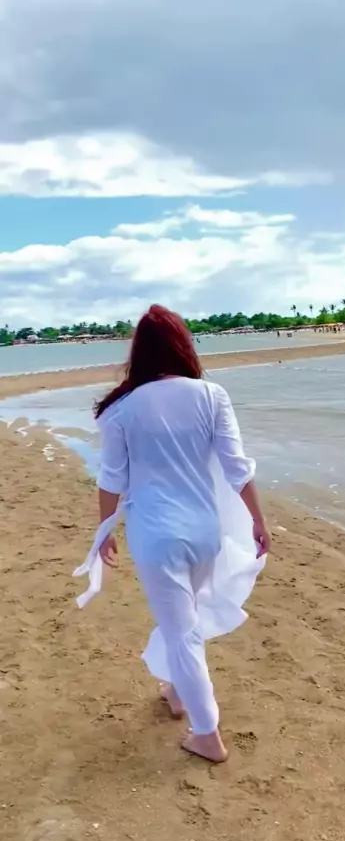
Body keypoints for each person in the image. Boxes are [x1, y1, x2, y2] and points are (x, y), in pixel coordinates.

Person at [75, 305, 271, 764]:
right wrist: (258, 521)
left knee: (182, 630)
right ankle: (178, 692)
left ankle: (207, 736)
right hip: (206, 531)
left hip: (157, 535)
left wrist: (105, 531)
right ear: (183, 345)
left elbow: (112, 479)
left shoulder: (123, 408)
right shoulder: (211, 395)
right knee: (186, 620)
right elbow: (236, 467)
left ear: (139, 351)